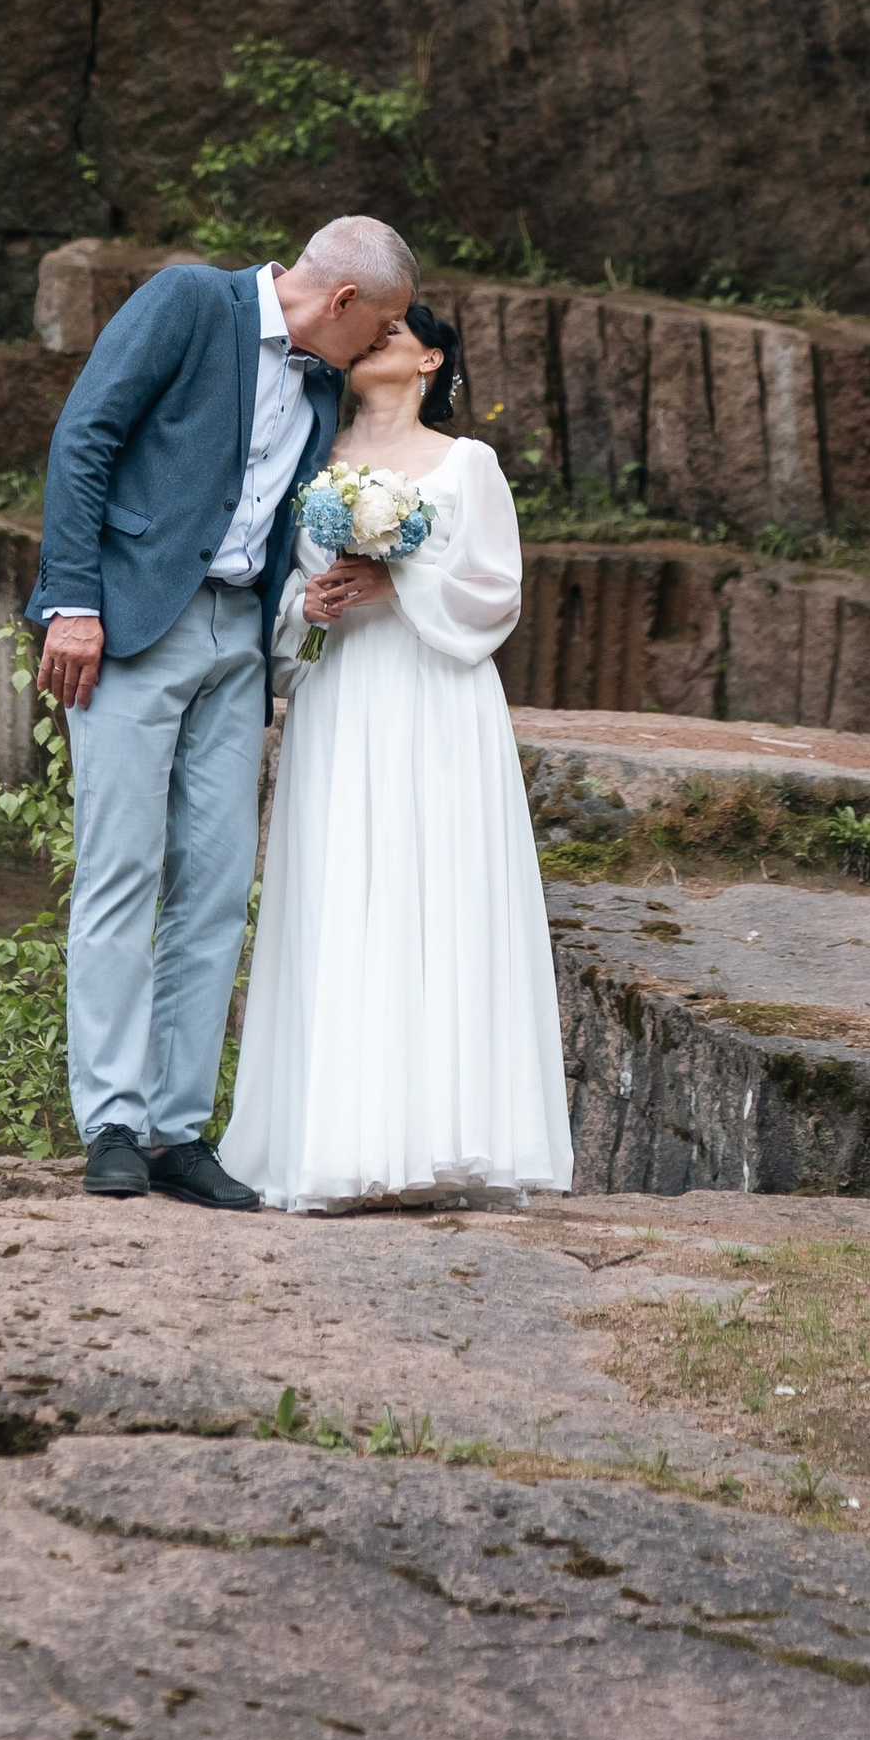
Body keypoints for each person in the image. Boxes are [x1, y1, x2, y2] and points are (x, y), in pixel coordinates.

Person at [27, 219, 417, 1204]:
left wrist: (316, 592)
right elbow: (85, 437)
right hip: (127, 630)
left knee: (214, 886)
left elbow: (291, 513)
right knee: (121, 873)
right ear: (340, 303)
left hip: (238, 643)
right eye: (380, 325)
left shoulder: (324, 382)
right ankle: (110, 1121)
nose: (379, 344)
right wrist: (72, 602)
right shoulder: (190, 301)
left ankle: (175, 1131)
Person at [219, 299, 573, 1212]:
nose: (376, 340)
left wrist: (397, 576)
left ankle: (445, 1141)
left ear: (431, 363)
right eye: (367, 332)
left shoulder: (469, 464)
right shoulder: (314, 462)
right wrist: (313, 606)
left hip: (437, 697)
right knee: (341, 891)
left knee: (439, 893)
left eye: (396, 334)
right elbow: (284, 587)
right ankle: (334, 1143)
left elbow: (497, 596)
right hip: (342, 696)